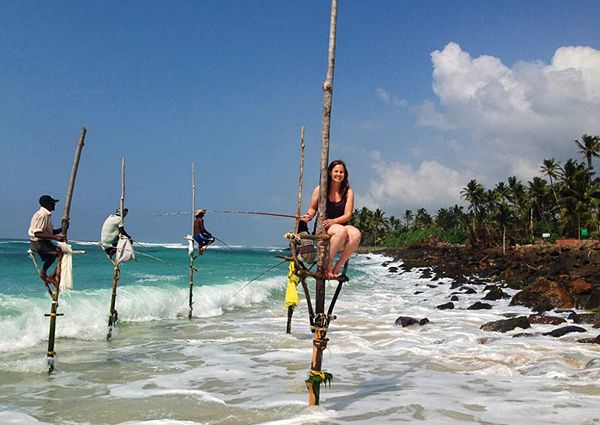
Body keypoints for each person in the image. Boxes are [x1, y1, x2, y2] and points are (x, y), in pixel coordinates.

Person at [301, 160, 361, 279]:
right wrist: (308, 216)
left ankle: (339, 264)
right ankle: (329, 263)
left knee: (356, 234)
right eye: (336, 171)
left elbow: (348, 215)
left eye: (342, 172)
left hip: (339, 224)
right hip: (324, 226)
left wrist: (335, 221)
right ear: (329, 172)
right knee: (341, 231)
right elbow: (312, 208)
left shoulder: (348, 192)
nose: (339, 174)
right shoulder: (320, 189)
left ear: (345, 174)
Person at [28, 195, 65, 287]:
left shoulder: (46, 215)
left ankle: (44, 273)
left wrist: (62, 228)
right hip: (39, 243)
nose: (54, 205)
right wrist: (56, 238)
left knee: (52, 257)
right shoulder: (42, 215)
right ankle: (51, 276)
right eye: (53, 203)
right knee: (63, 254)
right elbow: (37, 233)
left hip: (42, 242)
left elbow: (50, 232)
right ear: (47, 204)